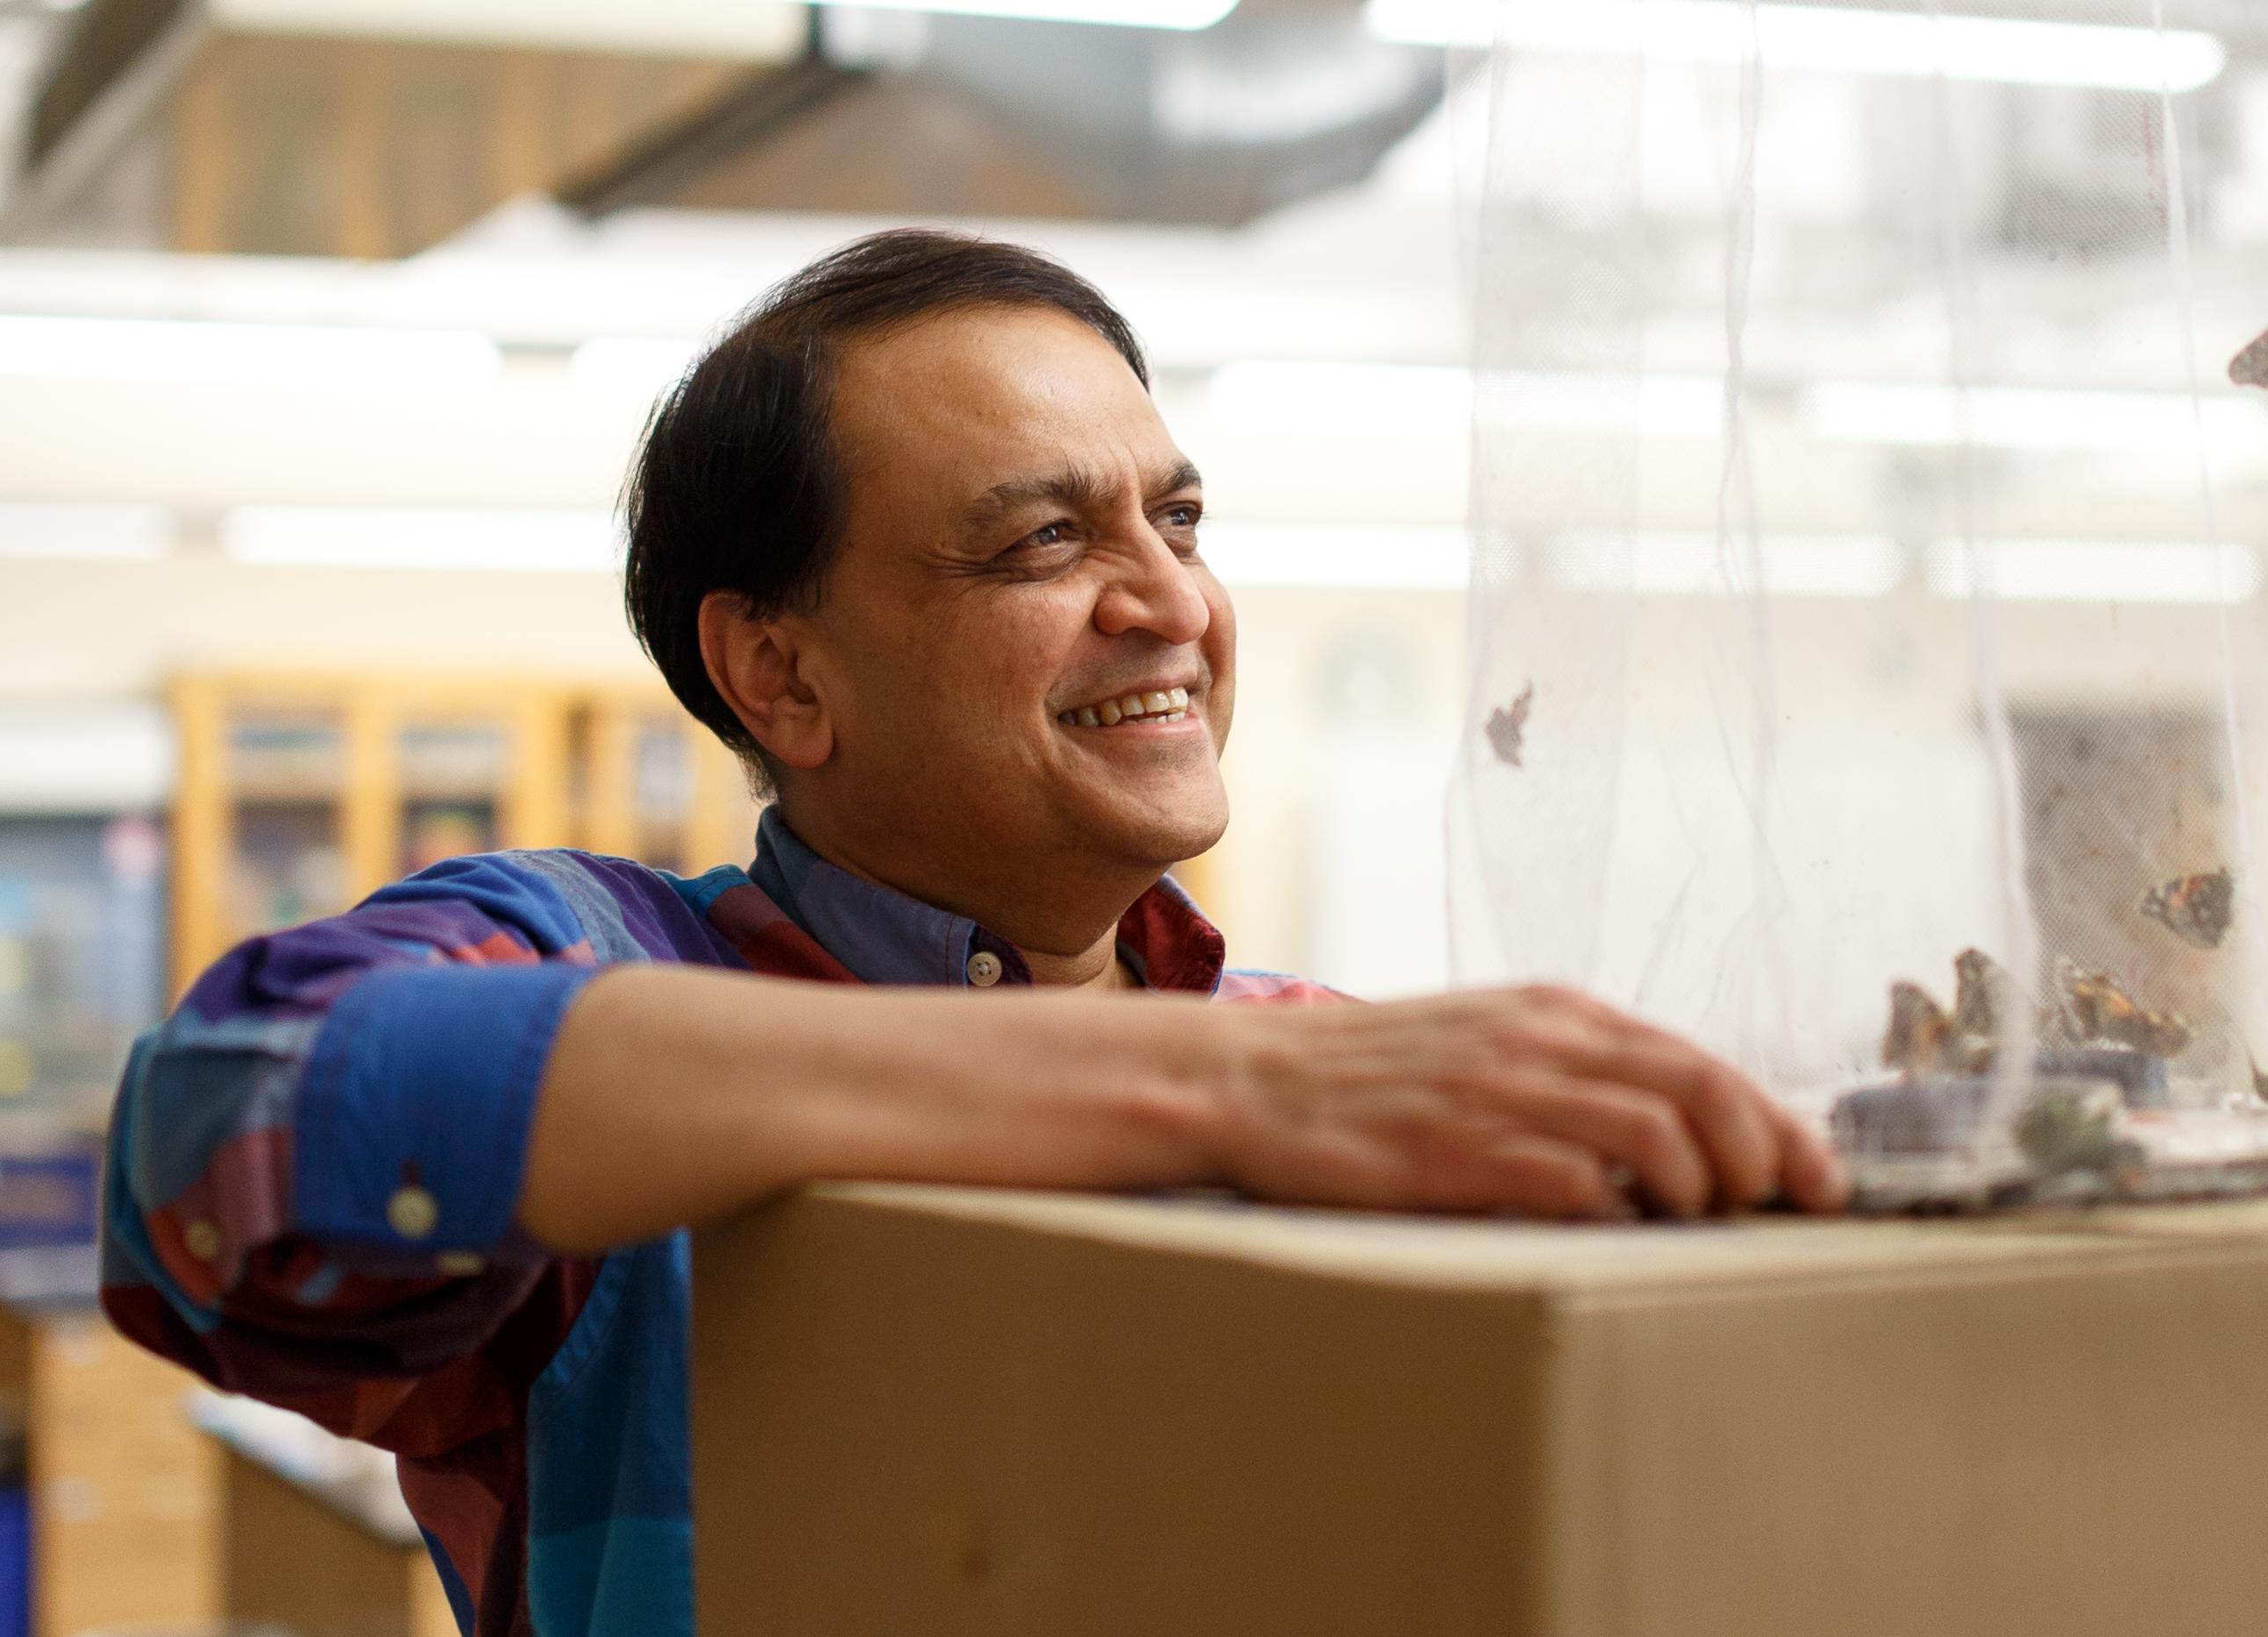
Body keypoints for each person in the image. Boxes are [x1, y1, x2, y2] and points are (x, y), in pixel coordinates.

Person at [100, 229, 1847, 1637]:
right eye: (1041, 539)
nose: (1170, 601)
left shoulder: (1307, 1049)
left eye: (1174, 517)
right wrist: (1202, 1090)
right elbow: (230, 1124)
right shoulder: (610, 960)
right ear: (777, 671)